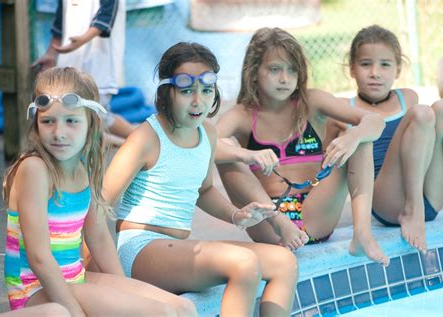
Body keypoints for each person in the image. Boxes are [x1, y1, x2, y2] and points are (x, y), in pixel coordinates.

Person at [104, 42, 298, 317]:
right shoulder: (145, 138)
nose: (198, 101)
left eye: (206, 91)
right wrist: (98, 265)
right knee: (243, 263)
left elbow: (205, 190)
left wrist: (236, 215)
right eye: (186, 92)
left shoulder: (206, 134)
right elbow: (101, 203)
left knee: (284, 262)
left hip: (177, 248)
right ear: (166, 93)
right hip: (140, 248)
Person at [2, 67, 195, 316]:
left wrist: (124, 293)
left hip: (75, 278)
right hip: (34, 290)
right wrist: (75, 311)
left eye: (71, 121)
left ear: (91, 122)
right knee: (161, 314)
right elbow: (39, 257)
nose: (59, 132)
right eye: (47, 121)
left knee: (183, 308)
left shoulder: (83, 168)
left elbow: (99, 239)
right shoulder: (35, 169)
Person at [215, 27, 390, 266]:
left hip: (316, 214)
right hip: (269, 222)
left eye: (292, 69)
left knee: (360, 139)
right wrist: (246, 154)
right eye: (275, 69)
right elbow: (204, 146)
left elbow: (375, 121)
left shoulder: (312, 103)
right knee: (225, 152)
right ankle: (281, 222)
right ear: (254, 72)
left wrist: (353, 136)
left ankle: (362, 235)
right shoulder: (242, 116)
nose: (285, 78)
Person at [333, 25, 443, 253]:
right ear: (352, 68)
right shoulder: (343, 109)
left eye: (385, 64)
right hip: (386, 201)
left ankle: (415, 206)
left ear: (398, 70)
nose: (375, 73)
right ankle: (412, 209)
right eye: (366, 64)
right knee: (421, 113)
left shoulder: (407, 97)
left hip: (427, 195)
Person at [32, 0, 135, 146]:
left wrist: (82, 40)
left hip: (99, 62)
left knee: (93, 117)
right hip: (71, 61)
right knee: (95, 116)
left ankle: (132, 144)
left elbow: (105, 18)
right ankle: (137, 140)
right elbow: (59, 23)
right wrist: (51, 53)